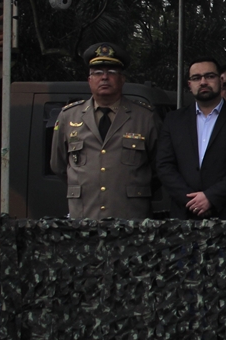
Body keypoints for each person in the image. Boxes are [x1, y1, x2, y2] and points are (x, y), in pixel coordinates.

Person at [49, 42, 162, 220]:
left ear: (122, 79)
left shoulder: (145, 117)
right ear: (89, 80)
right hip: (85, 216)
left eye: (111, 72)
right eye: (98, 73)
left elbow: (159, 168)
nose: (104, 77)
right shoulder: (68, 116)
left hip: (130, 217)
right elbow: (59, 165)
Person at [155, 58, 226, 219]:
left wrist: (211, 197)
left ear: (220, 80)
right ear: (189, 84)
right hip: (184, 215)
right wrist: (191, 201)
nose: (203, 82)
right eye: (196, 78)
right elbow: (164, 165)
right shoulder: (173, 120)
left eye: (209, 76)